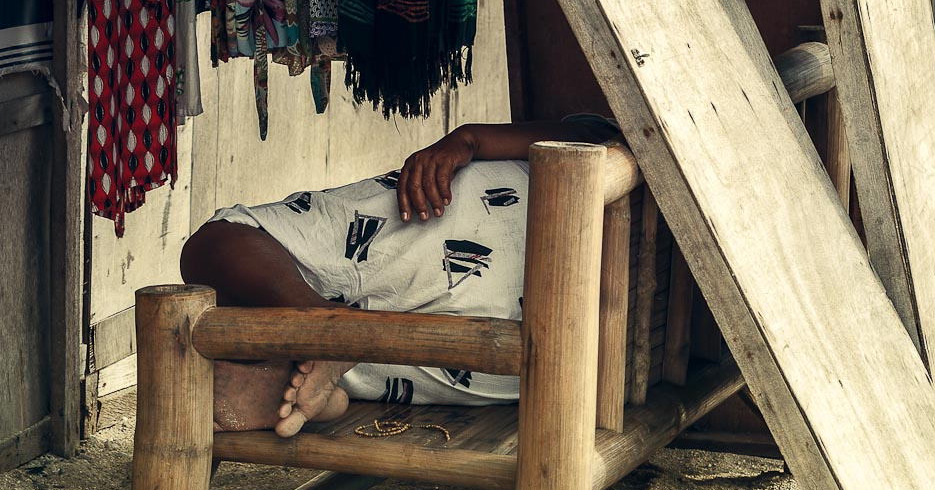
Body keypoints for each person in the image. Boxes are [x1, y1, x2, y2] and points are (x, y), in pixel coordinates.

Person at [180, 117, 619, 436]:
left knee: (219, 240)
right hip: (543, 362)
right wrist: (464, 141)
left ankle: (323, 333)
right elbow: (597, 135)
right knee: (381, 360)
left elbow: (588, 132)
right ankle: (314, 361)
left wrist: (467, 139)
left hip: (488, 213)